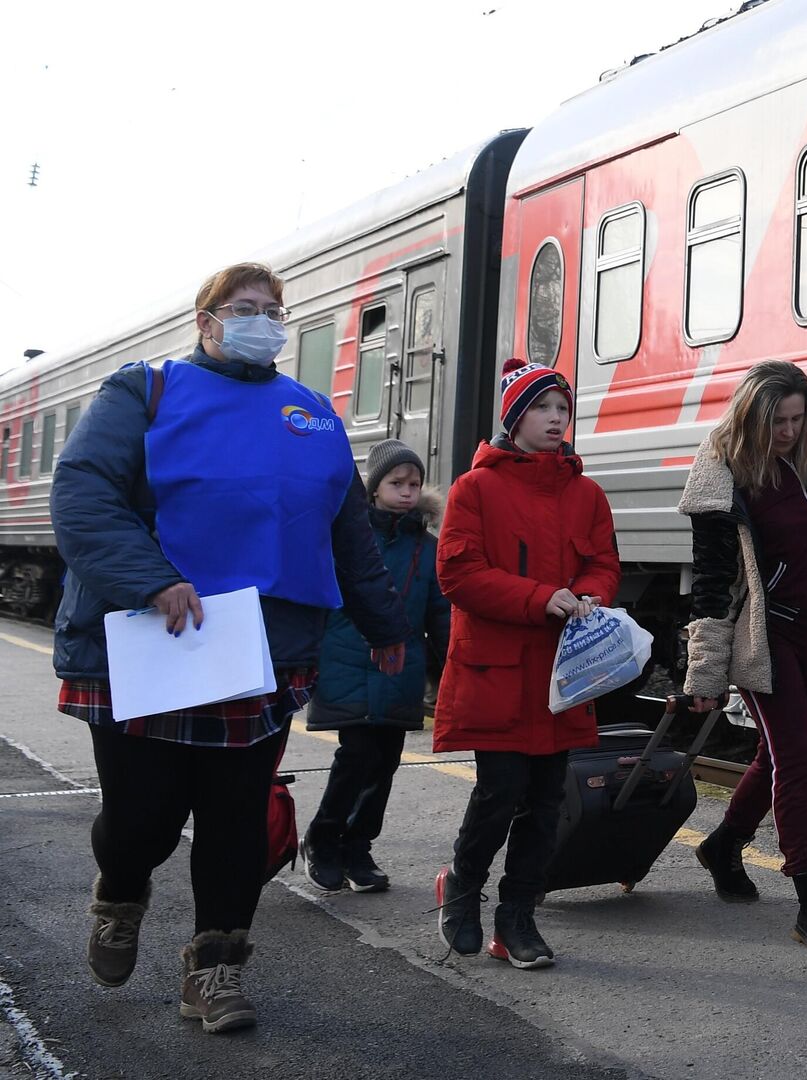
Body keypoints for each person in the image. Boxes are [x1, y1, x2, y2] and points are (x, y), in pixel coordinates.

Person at [50, 262, 410, 1034]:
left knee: (236, 816)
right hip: (154, 643)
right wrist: (151, 581)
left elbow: (347, 531)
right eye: (244, 307)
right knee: (143, 818)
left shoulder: (312, 413)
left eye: (273, 310)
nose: (262, 320)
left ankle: (214, 969)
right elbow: (82, 493)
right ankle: (120, 891)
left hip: (261, 654)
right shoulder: (142, 392)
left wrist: (385, 628)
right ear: (206, 321)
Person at [679, 359, 807, 954]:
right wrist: (705, 672)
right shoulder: (722, 473)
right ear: (752, 417)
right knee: (798, 761)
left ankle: (723, 845)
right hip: (768, 641)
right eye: (779, 421)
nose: (789, 431)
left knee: (779, 757)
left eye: (798, 418)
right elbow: (712, 583)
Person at [431, 358, 619, 970]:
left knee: (547, 799)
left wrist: (593, 596)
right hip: (500, 672)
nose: (556, 419)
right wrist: (541, 598)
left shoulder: (586, 493)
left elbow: (603, 564)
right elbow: (458, 575)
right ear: (514, 418)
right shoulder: (474, 488)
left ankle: (517, 918)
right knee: (499, 790)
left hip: (561, 676)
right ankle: (462, 885)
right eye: (542, 408)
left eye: (563, 409)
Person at [303, 439, 450, 894]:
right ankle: (324, 840)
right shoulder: (348, 536)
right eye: (396, 483)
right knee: (357, 756)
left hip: (400, 666)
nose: (407, 492)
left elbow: (439, 610)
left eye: (414, 483)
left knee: (385, 761)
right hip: (348, 658)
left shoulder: (426, 547)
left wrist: (449, 664)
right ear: (372, 489)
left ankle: (358, 847)